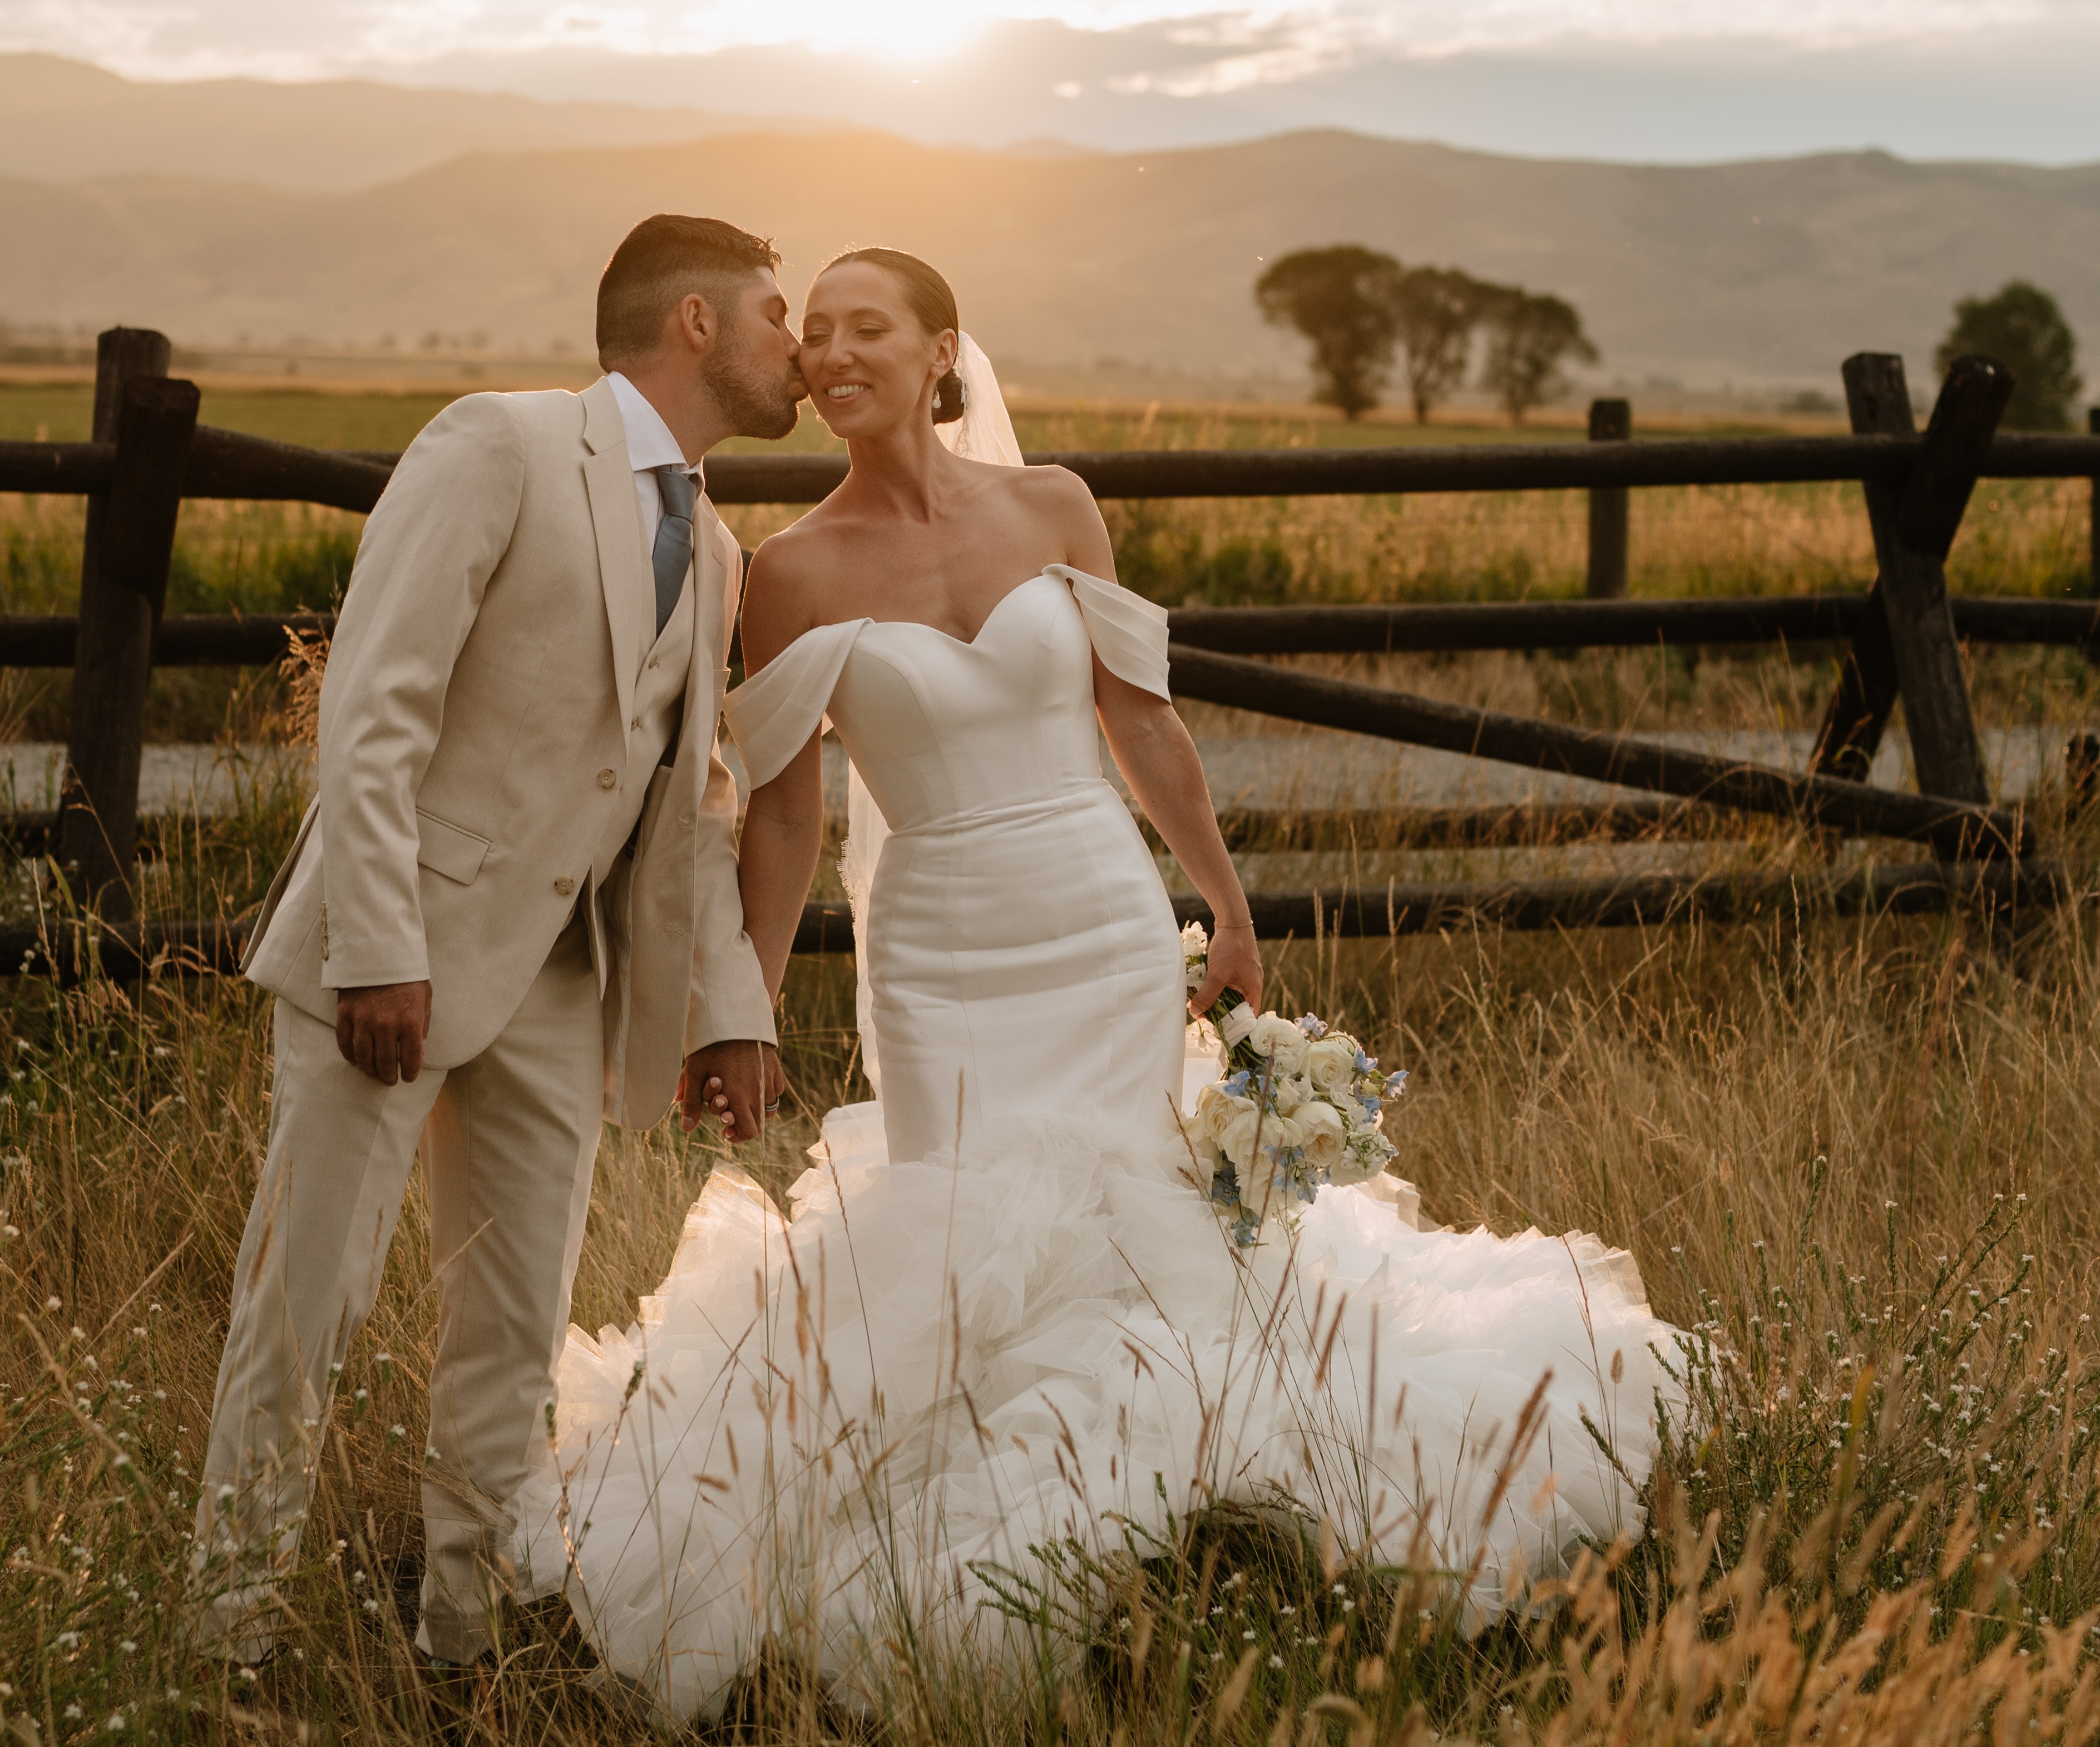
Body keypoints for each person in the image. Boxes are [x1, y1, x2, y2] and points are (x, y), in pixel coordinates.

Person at [514, 248, 1687, 1719]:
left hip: (1102, 921)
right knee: (969, 1225)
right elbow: (795, 819)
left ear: (944, 353)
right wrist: (743, 1001)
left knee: (1143, 1210)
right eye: (812, 332)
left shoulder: (1057, 506)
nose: (829, 351)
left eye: (865, 324)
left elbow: (1143, 722)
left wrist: (1226, 901)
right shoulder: (791, 569)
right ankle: (985, 1543)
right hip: (941, 951)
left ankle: (1196, 1508)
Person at [186, 213, 801, 1666]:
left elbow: (691, 807)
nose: (801, 348)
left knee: (515, 1332)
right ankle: (227, 1637)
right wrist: (375, 947)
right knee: (308, 1306)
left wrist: (727, 1007)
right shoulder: (502, 444)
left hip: (563, 980)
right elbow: (378, 703)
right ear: (698, 322)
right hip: (385, 961)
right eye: (779, 312)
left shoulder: (711, 546)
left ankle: (458, 1641)